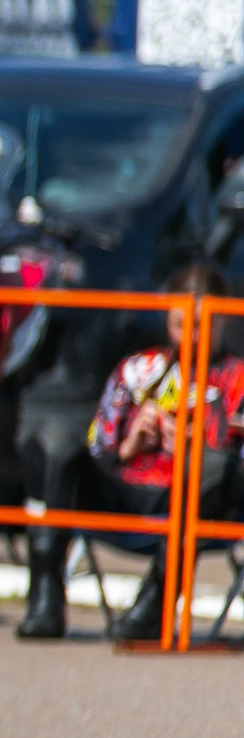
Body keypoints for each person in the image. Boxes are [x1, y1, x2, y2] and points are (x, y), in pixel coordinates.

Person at [68, 264, 244, 639]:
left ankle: (152, 607)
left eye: (201, 324)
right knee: (56, 446)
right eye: (179, 324)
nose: (190, 336)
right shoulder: (138, 369)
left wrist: (190, 444)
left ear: (222, 320)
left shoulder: (237, 379)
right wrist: (130, 442)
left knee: (211, 467)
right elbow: (98, 445)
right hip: (131, 491)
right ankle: (44, 604)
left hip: (198, 504)